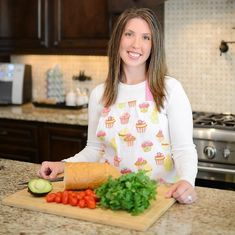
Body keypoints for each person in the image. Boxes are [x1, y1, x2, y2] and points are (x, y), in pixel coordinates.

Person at [38, 8, 198, 204]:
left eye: (146, 37)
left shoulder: (169, 89)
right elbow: (94, 150)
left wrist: (186, 181)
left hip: (159, 198)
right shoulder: (100, 94)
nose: (136, 44)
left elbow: (183, 149)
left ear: (154, 44)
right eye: (129, 34)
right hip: (111, 196)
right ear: (118, 40)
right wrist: (63, 165)